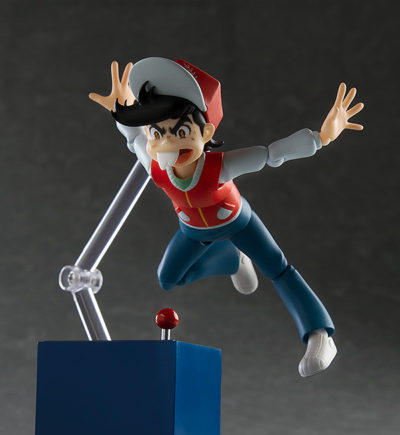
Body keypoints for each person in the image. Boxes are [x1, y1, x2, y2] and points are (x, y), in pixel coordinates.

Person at [89, 57, 364, 377]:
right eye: (157, 132)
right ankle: (233, 260)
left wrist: (321, 137)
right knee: (169, 278)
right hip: (193, 232)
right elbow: (133, 139)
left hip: (239, 223)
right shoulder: (154, 165)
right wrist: (121, 110)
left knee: (278, 268)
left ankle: (319, 334)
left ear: (206, 131)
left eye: (180, 131)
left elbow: (272, 154)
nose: (167, 143)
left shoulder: (220, 167)